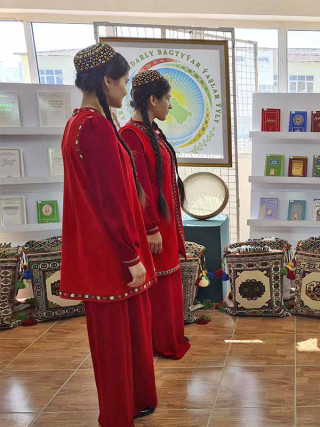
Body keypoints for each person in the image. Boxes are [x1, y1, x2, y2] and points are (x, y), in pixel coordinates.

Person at [59, 43, 157, 425]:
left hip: (102, 252)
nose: (125, 90)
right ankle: (118, 413)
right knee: (117, 343)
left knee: (123, 339)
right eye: (124, 81)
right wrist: (131, 256)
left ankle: (132, 403)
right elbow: (111, 200)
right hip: (112, 256)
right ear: (107, 81)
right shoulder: (96, 127)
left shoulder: (77, 123)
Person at [120, 70, 191, 359]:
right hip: (154, 228)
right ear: (152, 100)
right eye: (167, 98)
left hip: (165, 223)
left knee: (167, 284)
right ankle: (159, 343)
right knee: (158, 287)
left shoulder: (152, 132)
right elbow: (141, 188)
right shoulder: (130, 135)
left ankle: (168, 338)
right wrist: (150, 228)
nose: (170, 105)